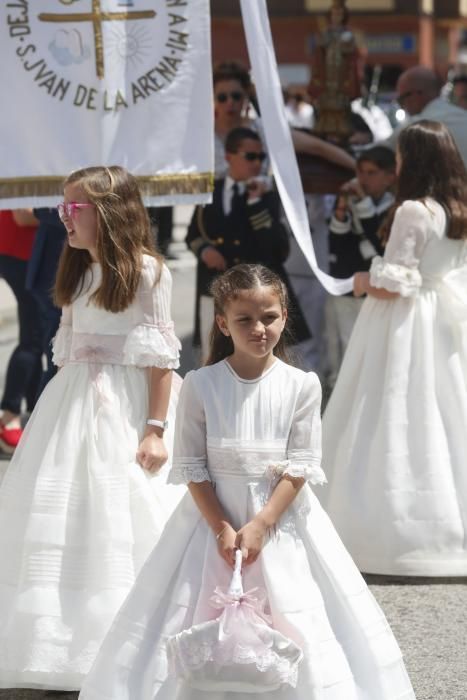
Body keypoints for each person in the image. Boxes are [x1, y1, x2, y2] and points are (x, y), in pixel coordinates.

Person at [78, 263, 416, 700]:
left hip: (282, 518)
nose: (259, 328)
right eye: (244, 320)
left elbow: (301, 464)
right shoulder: (201, 384)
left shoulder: (303, 385)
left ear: (284, 316)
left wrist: (262, 524)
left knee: (296, 612)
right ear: (222, 323)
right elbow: (193, 465)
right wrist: (221, 525)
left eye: (269, 317)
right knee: (192, 612)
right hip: (210, 519)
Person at [0, 166, 184, 691]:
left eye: (72, 210)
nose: (64, 219)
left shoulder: (148, 271)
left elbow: (160, 358)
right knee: (63, 513)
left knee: (124, 509)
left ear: (108, 212)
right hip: (73, 401)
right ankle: (61, 639)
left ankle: (129, 642)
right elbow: (69, 345)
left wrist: (154, 428)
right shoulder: (77, 269)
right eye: (63, 209)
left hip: (126, 403)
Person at [321, 120, 467, 576]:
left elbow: (396, 282)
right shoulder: (456, 209)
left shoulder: (415, 211)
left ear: (412, 159)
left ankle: (388, 530)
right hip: (441, 319)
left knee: (391, 408)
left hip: (405, 320)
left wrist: (363, 282)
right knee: (446, 411)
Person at [186, 126, 309, 359]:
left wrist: (256, 205)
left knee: (257, 357)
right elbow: (193, 234)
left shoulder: (266, 195)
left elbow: (279, 248)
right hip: (214, 288)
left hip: (254, 294)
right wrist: (205, 250)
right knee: (212, 358)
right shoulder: (211, 191)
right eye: (250, 156)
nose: (257, 163)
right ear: (229, 157)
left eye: (261, 157)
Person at [325, 146, 396, 389]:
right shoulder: (353, 201)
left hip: (378, 289)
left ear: (389, 177)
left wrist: (364, 204)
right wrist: (343, 209)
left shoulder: (394, 208)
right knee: (344, 343)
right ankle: (341, 388)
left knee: (374, 346)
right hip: (349, 282)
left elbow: (381, 243)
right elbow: (336, 244)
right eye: (360, 172)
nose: (363, 179)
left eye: (371, 173)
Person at [213, 61, 356, 178]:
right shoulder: (202, 136)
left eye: (236, 96)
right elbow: (192, 186)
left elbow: (318, 147)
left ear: (245, 97)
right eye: (222, 98)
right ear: (213, 99)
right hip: (213, 209)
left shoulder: (263, 130)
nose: (229, 103)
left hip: (259, 209)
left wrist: (358, 169)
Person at [0, 210, 43, 453]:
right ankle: (9, 415)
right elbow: (23, 215)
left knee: (37, 337)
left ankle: (28, 411)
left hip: (24, 252)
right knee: (34, 338)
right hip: (21, 253)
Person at [385, 66, 467, 167]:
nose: (403, 105)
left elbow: (380, 152)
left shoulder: (417, 125)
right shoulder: (462, 115)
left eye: (401, 99)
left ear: (415, 95)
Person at [27, 207, 67, 395]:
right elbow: (38, 211)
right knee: (57, 356)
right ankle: (44, 418)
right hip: (52, 277)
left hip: (57, 276)